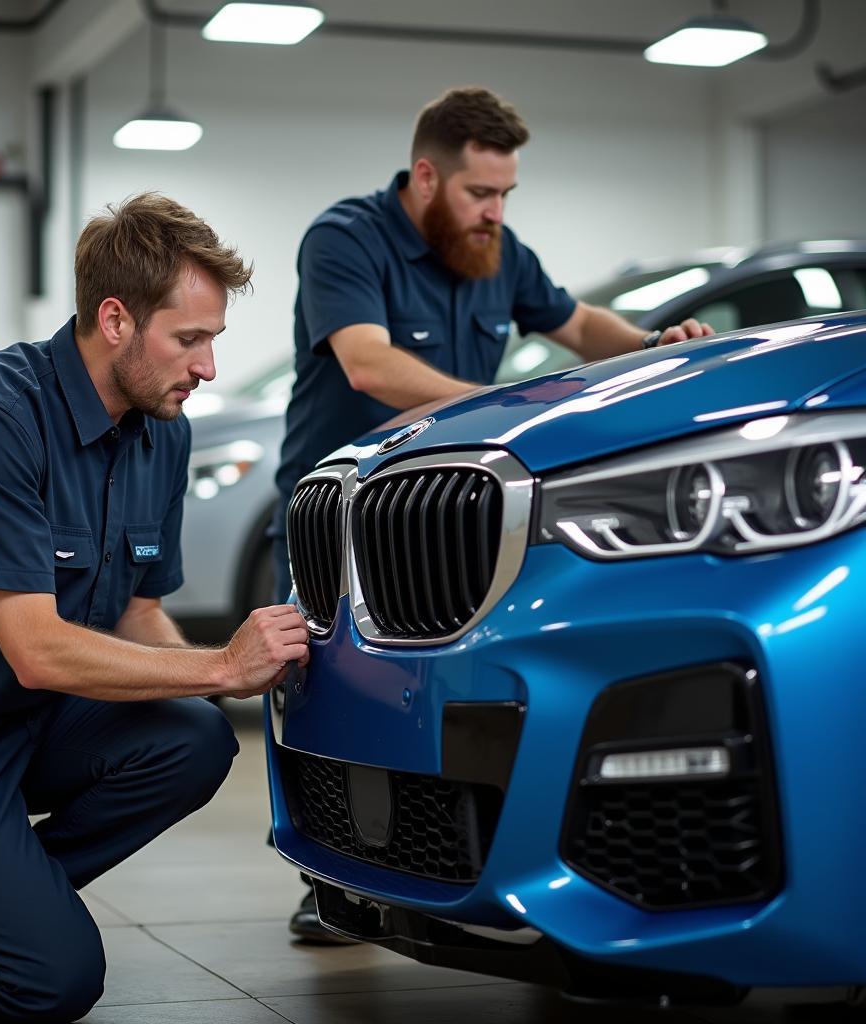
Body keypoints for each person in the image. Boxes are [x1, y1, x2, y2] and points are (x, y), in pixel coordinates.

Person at [0, 193, 309, 1018]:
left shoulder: (164, 430)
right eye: (190, 340)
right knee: (46, 981)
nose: (207, 369)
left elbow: (135, 613)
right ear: (117, 319)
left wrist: (245, 678)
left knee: (195, 738)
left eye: (214, 342)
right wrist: (222, 664)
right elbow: (35, 648)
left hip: (34, 722)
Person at [271, 86, 712, 942]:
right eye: (481, 193)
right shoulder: (346, 238)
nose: (495, 211)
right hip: (343, 531)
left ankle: (450, 862)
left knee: (443, 700)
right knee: (337, 693)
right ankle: (328, 873)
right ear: (428, 176)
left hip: (454, 523)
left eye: (507, 194)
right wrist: (495, 410)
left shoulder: (497, 252)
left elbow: (578, 325)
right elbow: (369, 368)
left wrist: (654, 351)